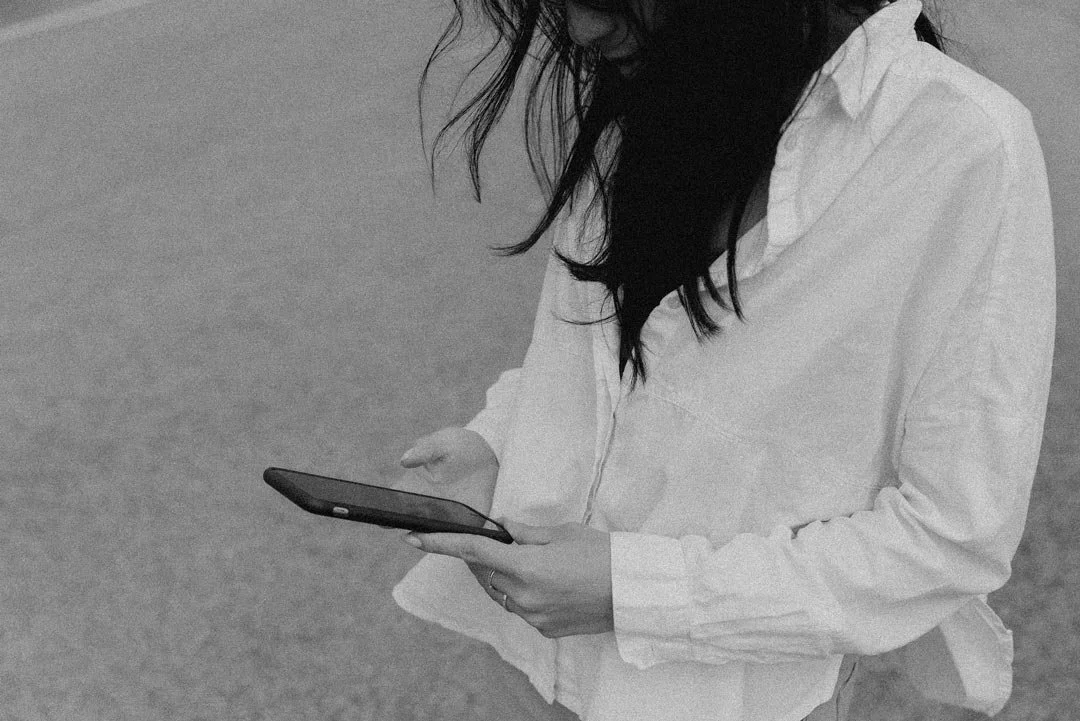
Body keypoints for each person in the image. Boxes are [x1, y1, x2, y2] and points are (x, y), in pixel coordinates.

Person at [390, 0, 1056, 719]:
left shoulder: (960, 144)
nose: (580, 30)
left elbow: (950, 534)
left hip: (725, 698)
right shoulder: (669, 76)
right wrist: (500, 446)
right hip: (524, 667)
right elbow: (608, 352)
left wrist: (637, 592)